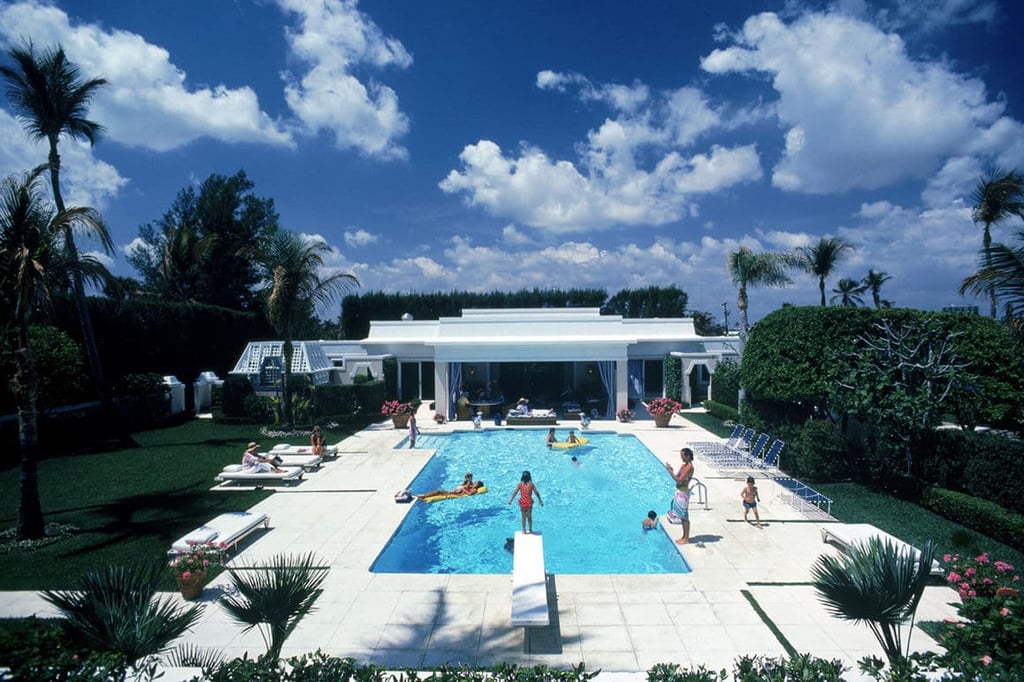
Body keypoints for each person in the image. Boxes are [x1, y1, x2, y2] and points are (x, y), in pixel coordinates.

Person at [665, 447, 694, 544]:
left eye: (683, 456)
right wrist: (671, 470)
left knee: (685, 516)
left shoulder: (689, 467)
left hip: (683, 493)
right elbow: (677, 477)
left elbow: (680, 480)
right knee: (681, 516)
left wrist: (670, 471)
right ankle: (684, 536)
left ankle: (686, 538)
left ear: (688, 456)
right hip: (678, 491)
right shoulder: (683, 466)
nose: (681, 458)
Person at [417, 480, 485, 500]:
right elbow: (465, 483)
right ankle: (425, 496)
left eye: (476, 482)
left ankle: (424, 497)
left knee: (437, 491)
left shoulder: (474, 490)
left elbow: (469, 494)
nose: (474, 482)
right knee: (438, 491)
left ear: (477, 485)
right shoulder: (471, 486)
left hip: (455, 494)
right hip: (454, 492)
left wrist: (464, 489)